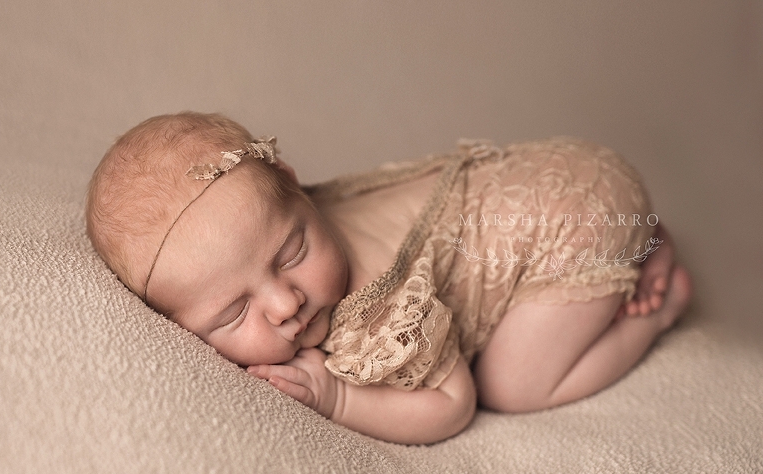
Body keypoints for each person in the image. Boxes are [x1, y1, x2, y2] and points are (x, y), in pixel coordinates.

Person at [86, 112, 692, 445]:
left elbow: (454, 404)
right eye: (232, 314)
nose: (284, 303)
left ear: (297, 188)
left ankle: (657, 300)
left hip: (574, 217)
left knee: (513, 384)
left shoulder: (378, 307)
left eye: (292, 251)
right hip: (568, 177)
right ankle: (642, 234)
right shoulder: (275, 219)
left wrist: (339, 396)